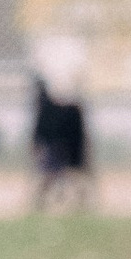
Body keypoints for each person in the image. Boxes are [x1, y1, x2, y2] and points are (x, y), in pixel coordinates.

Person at [28, 71, 91, 207]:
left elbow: (41, 132)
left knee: (53, 175)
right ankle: (79, 200)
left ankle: (41, 201)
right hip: (62, 147)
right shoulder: (52, 108)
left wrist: (38, 145)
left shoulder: (47, 109)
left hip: (57, 147)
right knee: (61, 175)